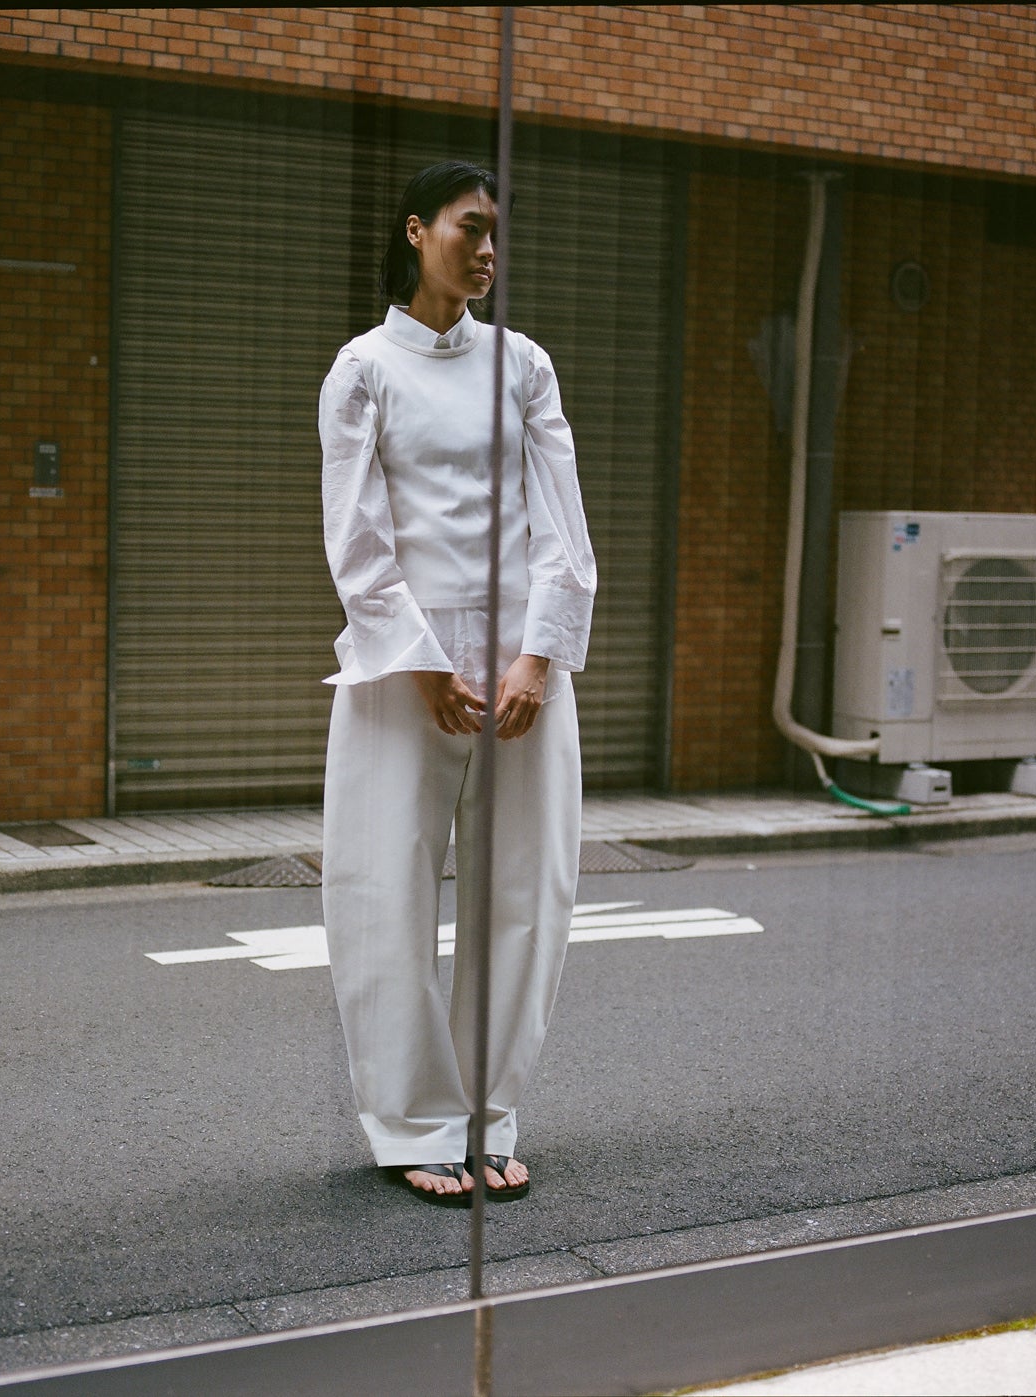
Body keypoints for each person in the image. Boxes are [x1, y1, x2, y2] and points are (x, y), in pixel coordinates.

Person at [317, 161, 597, 1207]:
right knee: (383, 890)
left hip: (525, 665)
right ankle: (411, 1123)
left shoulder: (522, 365)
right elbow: (355, 534)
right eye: (467, 228)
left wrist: (539, 657)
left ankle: (488, 1116)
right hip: (402, 670)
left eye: (496, 234)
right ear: (414, 231)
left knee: (525, 894)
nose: (485, 249)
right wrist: (423, 658)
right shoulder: (361, 369)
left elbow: (561, 524)